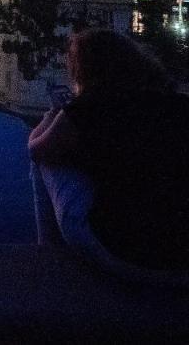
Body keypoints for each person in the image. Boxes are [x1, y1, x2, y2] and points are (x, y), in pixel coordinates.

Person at [28, 29, 189, 284]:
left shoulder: (89, 108)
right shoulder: (179, 105)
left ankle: (49, 255)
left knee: (46, 161)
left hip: (124, 254)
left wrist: (51, 117)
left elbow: (36, 149)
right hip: (182, 260)